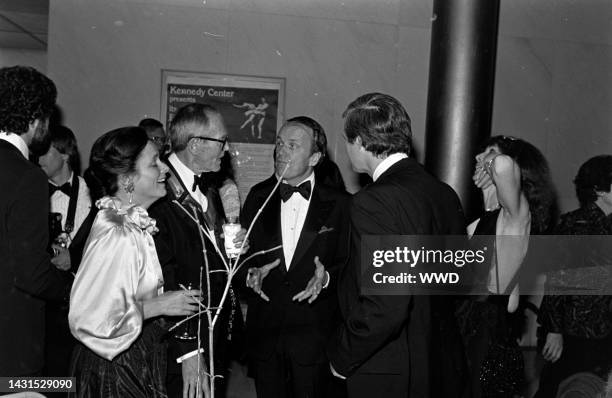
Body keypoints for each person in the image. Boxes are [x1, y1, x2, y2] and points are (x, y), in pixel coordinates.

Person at [327, 93, 467, 398]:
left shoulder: (373, 200)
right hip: (437, 361)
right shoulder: (444, 194)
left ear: (361, 143)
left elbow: (386, 303)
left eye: (347, 141)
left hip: (387, 365)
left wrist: (343, 356)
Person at [68, 127, 201, 397]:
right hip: (115, 369)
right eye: (154, 163)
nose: (165, 169)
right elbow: (90, 318)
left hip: (130, 358)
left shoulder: (125, 221)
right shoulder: (118, 231)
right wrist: (159, 305)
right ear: (128, 179)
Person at [241, 116, 350, 397]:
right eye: (279, 143)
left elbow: (350, 266)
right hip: (265, 335)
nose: (281, 151)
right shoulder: (257, 196)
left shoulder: (341, 204)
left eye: (292, 145)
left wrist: (325, 278)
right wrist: (249, 273)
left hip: (315, 338)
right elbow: (241, 258)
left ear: (314, 157)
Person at [148, 103, 245, 398]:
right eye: (221, 141)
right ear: (195, 144)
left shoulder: (209, 191)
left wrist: (232, 251)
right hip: (182, 344)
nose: (226, 149)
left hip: (213, 335)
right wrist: (189, 350)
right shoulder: (158, 194)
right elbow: (164, 276)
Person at [459, 135, 556, 398]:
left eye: (489, 152)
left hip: (486, 340)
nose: (479, 158)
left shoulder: (514, 215)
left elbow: (502, 165)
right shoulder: (478, 223)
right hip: (467, 332)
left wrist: (494, 159)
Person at [0, 65, 72, 377]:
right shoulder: (27, 176)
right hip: (10, 343)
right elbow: (30, 273)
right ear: (35, 119)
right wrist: (73, 288)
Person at [535, 155, 612, 398]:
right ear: (600, 190)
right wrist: (554, 332)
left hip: (606, 328)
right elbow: (557, 281)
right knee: (559, 386)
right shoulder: (574, 225)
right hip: (575, 331)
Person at [37, 124, 92, 378]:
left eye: (44, 152)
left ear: (65, 154)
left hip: (81, 301)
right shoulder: (32, 189)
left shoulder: (93, 193)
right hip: (43, 300)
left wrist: (76, 258)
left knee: (72, 376)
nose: (37, 158)